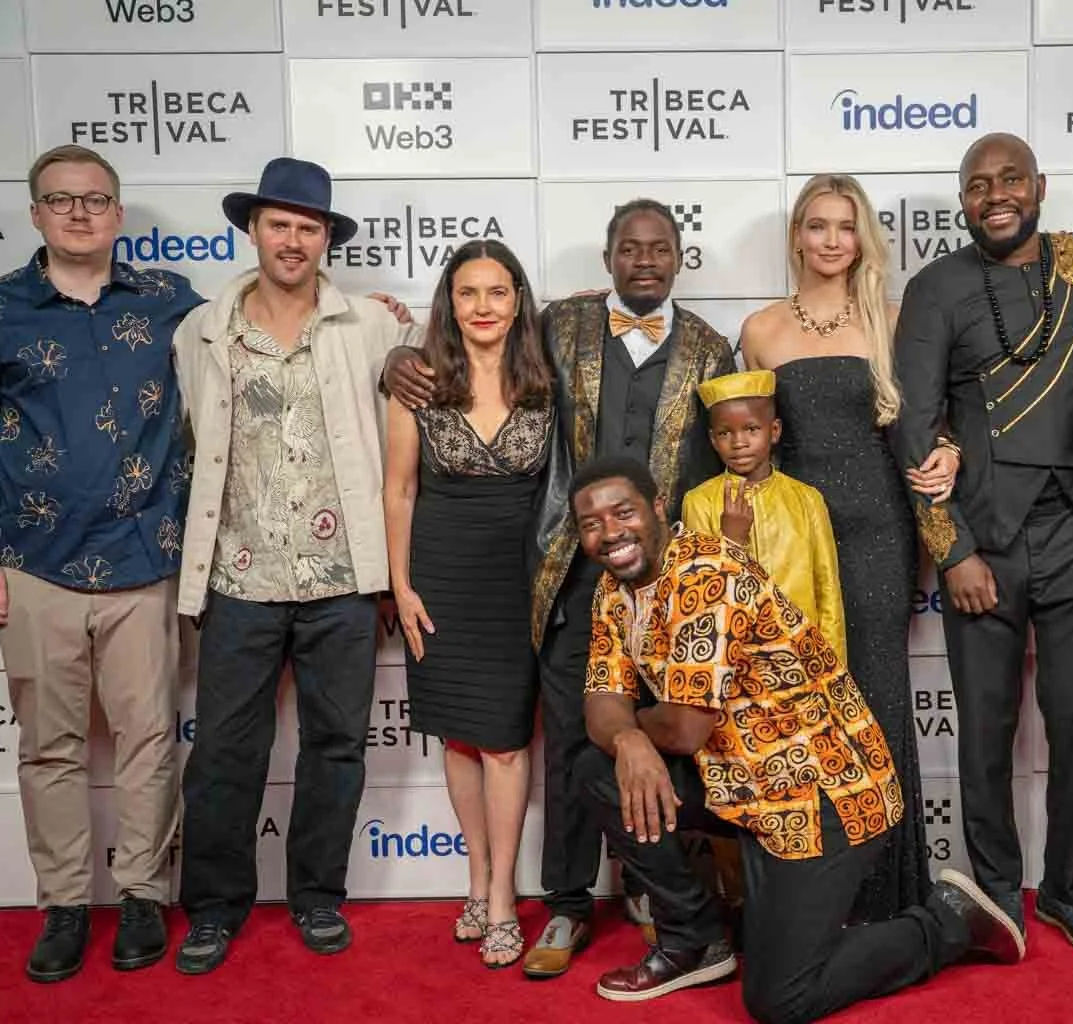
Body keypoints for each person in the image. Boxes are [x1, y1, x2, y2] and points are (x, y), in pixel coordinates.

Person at [384, 198, 735, 977]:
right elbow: (473, 337)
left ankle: (658, 891)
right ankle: (569, 904)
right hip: (568, 582)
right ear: (606, 258)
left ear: (680, 257)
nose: (644, 262)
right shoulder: (560, 329)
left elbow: (726, 458)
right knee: (577, 740)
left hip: (669, 590)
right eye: (629, 249)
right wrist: (392, 357)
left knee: (674, 735)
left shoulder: (716, 349)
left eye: (660, 249)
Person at [570, 456, 1024, 1020]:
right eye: (591, 524)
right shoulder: (616, 589)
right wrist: (630, 742)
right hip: (736, 779)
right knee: (595, 767)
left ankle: (949, 920)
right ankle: (696, 940)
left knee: (779, 999)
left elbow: (686, 729)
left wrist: (632, 734)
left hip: (819, 790)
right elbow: (600, 701)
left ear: (658, 508)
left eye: (623, 512)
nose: (610, 532)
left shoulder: (705, 574)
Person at [0, 145, 201, 983]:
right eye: (61, 200)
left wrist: (375, 319)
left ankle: (143, 896)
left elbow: (261, 333)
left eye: (96, 200)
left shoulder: (172, 302)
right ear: (36, 213)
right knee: (47, 746)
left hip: (147, 555)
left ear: (119, 214)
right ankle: (60, 905)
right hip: (33, 563)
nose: (80, 213)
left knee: (150, 739)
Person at [171, 157, 417, 975]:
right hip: (238, 578)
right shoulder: (202, 331)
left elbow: (436, 386)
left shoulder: (373, 327)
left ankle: (317, 896)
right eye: (279, 224)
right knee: (223, 754)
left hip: (341, 580)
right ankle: (212, 907)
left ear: (325, 239)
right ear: (253, 230)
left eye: (308, 227)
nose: (293, 240)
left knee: (337, 745)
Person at [891, 133, 1073, 955]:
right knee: (985, 729)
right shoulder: (934, 288)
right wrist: (950, 550)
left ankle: (1068, 892)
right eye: (979, 183)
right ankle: (995, 890)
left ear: (1040, 186)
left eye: (1011, 178)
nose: (996, 193)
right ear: (962, 201)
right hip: (984, 539)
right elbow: (916, 423)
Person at [739, 174, 954, 918]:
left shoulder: (891, 321)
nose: (832, 240)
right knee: (799, 706)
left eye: (845, 226)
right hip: (791, 536)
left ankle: (888, 894)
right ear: (797, 235)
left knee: (877, 697)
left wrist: (949, 450)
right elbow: (748, 447)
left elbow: (924, 423)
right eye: (818, 225)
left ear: (862, 238)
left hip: (875, 532)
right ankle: (810, 894)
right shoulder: (760, 329)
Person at [382, 239, 553, 968]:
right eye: (467, 292)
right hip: (442, 574)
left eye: (498, 292)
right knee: (457, 737)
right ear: (448, 303)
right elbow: (399, 489)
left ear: (518, 301)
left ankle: (506, 896)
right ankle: (475, 881)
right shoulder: (417, 380)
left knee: (508, 741)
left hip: (520, 579)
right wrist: (401, 584)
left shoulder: (548, 380)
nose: (483, 306)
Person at [681, 368, 846, 664]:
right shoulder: (699, 502)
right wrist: (733, 541)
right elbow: (703, 594)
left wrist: (832, 670)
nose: (739, 442)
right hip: (736, 660)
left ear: (775, 431)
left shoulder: (806, 499)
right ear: (712, 439)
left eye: (751, 429)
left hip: (803, 657)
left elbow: (828, 591)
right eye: (725, 433)